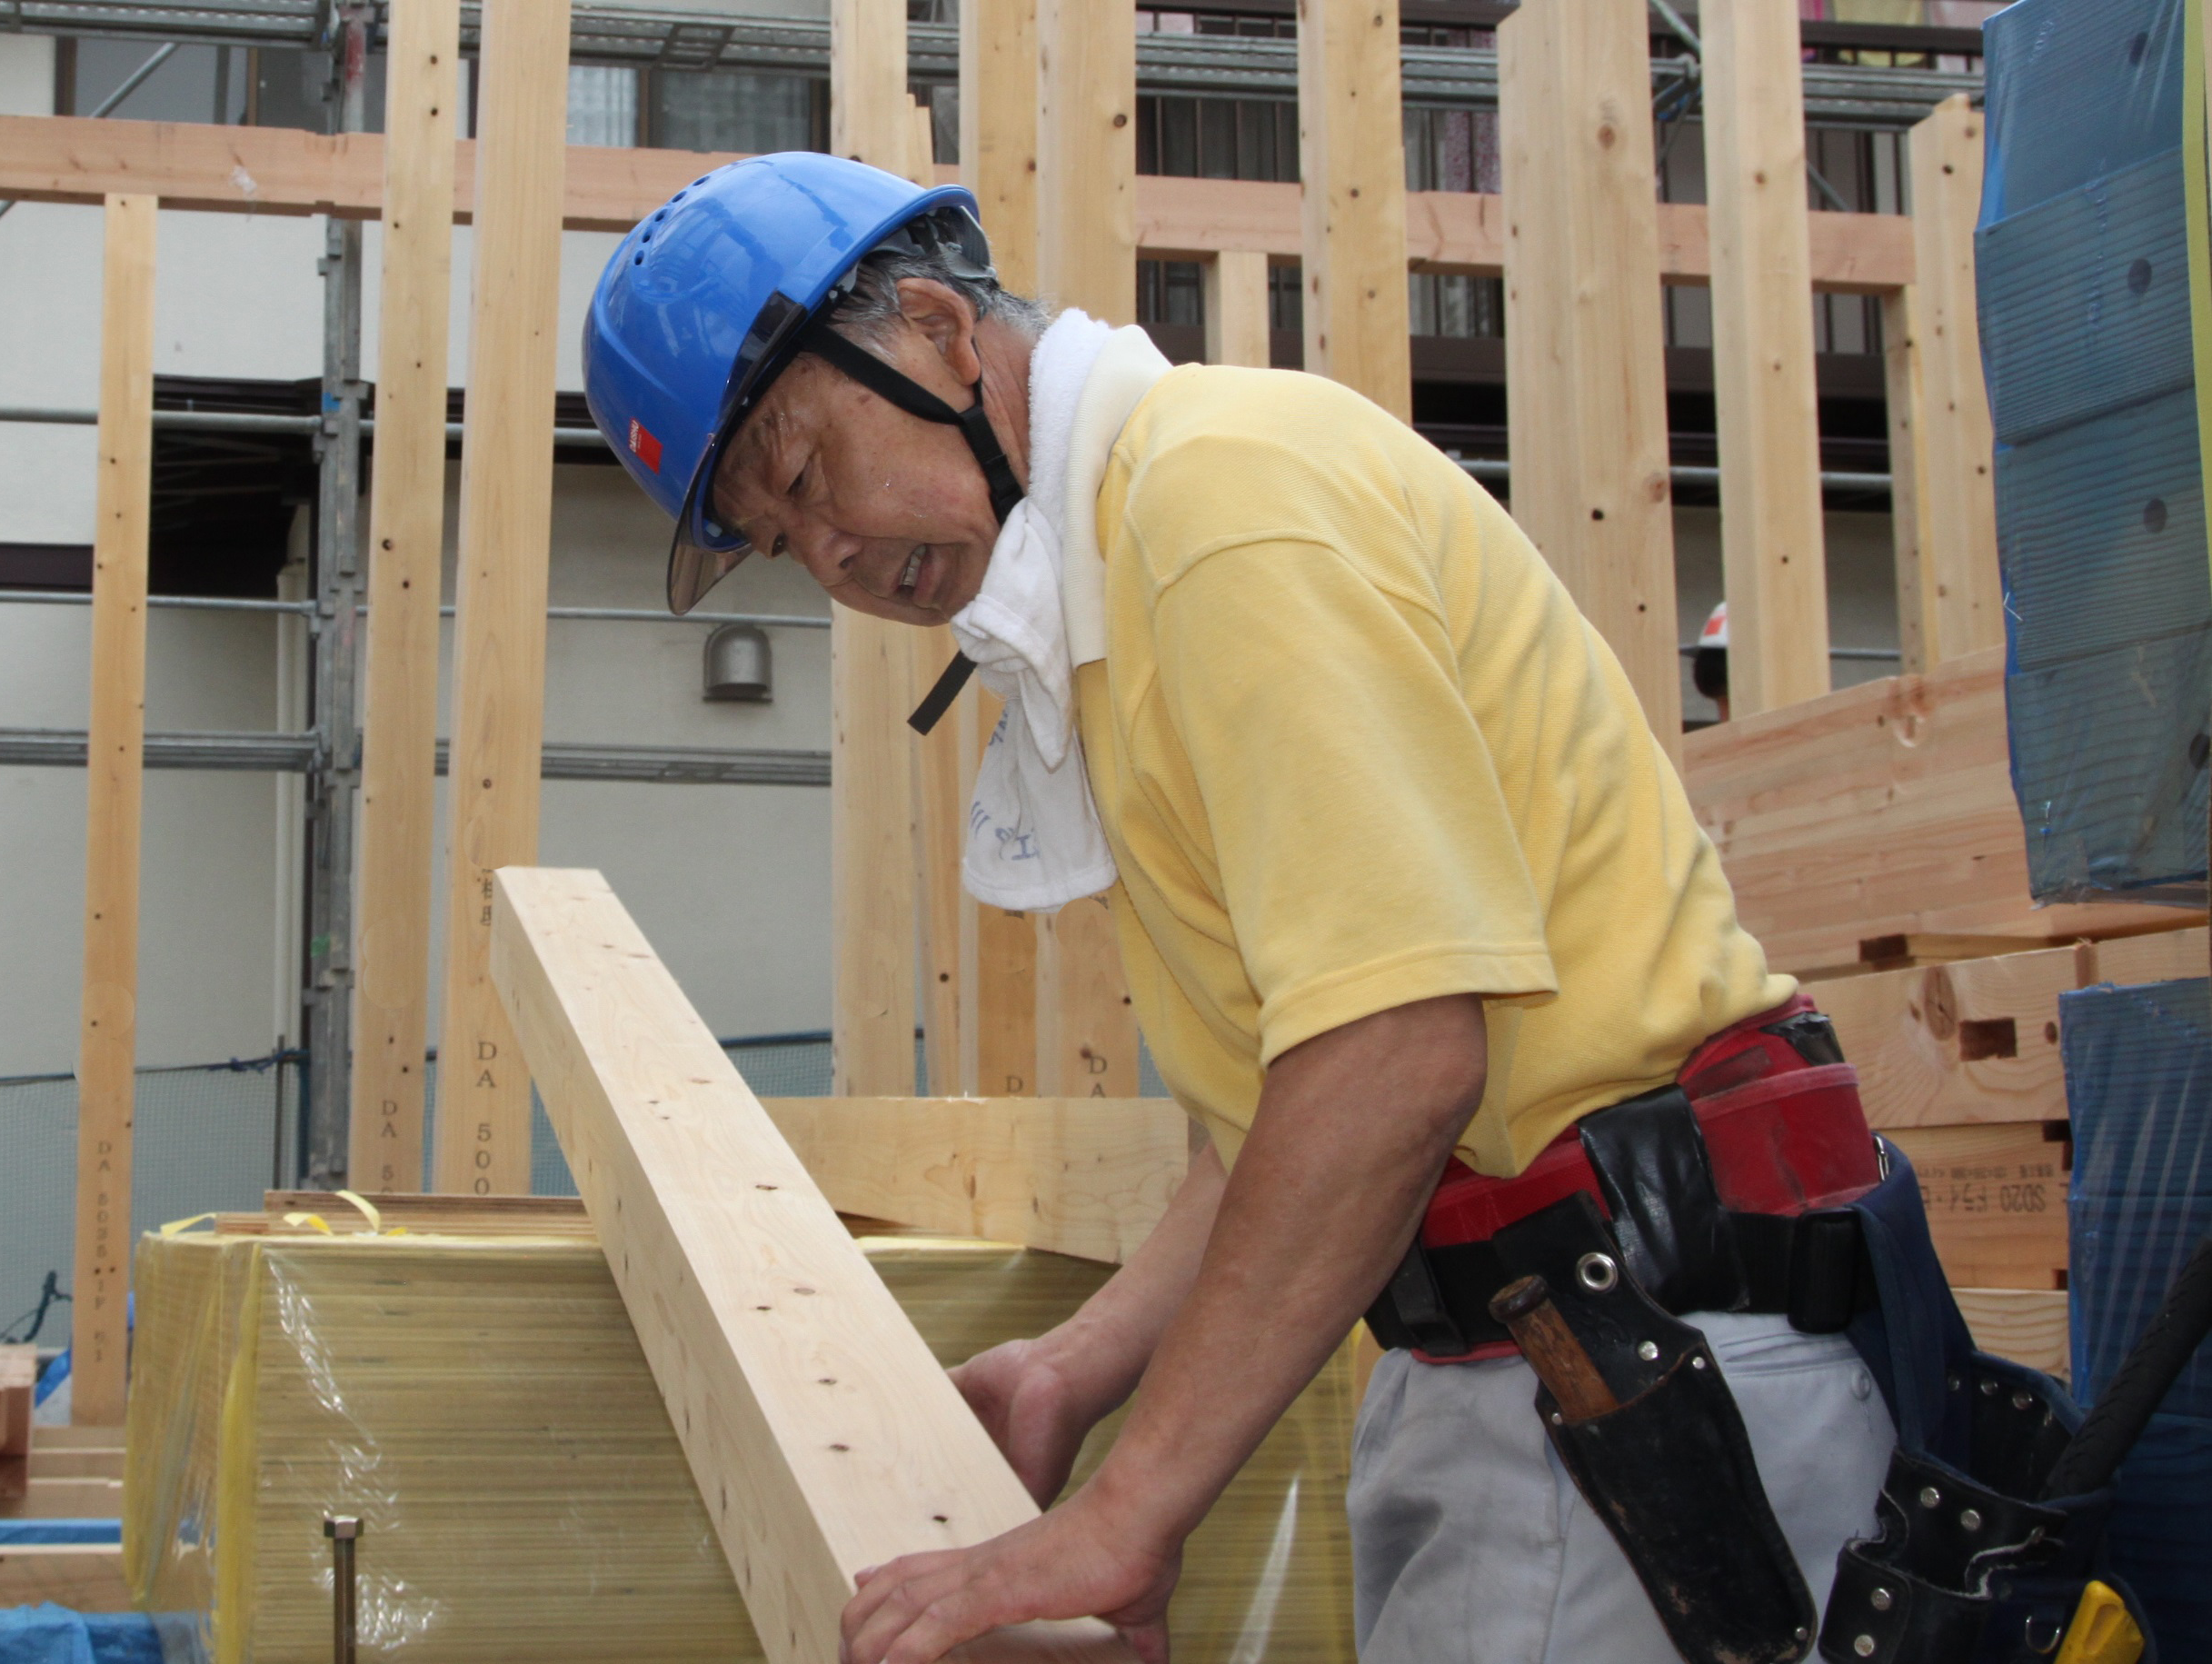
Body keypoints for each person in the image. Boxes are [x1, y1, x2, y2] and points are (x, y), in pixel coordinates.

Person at [579, 154, 2019, 1664]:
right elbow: (1294, 1106)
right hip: (1550, 1364)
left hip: (1627, 1373)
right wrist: (1083, 1365)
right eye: (782, 542)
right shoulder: (1133, 569)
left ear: (938, 332)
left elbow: (1392, 1060)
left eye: (811, 476)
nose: (832, 558)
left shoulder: (1219, 501)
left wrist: (1128, 1509)